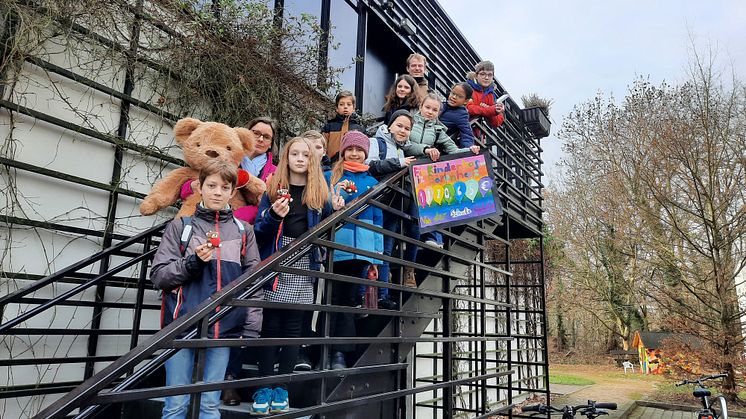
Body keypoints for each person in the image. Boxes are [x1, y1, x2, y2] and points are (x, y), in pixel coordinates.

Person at [150, 160, 261, 419]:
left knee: (210, 406)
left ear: (232, 192)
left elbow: (253, 281)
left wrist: (252, 326)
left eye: (224, 187)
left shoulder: (245, 232)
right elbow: (159, 276)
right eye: (211, 185)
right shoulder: (180, 227)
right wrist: (193, 262)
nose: (217, 192)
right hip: (182, 325)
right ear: (199, 187)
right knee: (175, 405)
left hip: (224, 327)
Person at [250, 137, 344, 415]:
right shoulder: (272, 188)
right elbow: (258, 229)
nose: (300, 158)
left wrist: (337, 208)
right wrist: (274, 216)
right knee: (270, 328)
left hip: (304, 261)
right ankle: (264, 386)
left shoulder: (319, 191)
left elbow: (327, 224)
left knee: (293, 328)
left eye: (306, 154)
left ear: (312, 160)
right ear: (286, 157)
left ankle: (282, 388)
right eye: (295, 153)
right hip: (277, 258)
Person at [325, 131, 384, 369]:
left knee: (349, 299)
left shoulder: (372, 182)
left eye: (360, 150)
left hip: (362, 248)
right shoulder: (331, 175)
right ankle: (325, 349)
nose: (355, 154)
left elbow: (378, 217)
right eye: (350, 149)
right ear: (343, 151)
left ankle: (339, 353)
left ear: (366, 154)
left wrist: (376, 256)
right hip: (338, 243)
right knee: (332, 297)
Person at [404, 93, 481, 272]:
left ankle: (432, 239)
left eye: (435, 110)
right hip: (405, 170)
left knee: (424, 206)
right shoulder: (409, 121)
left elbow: (453, 150)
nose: (430, 112)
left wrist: (469, 150)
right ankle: (428, 241)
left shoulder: (438, 130)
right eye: (427, 108)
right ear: (421, 106)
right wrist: (425, 149)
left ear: (439, 112)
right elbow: (404, 143)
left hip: (422, 175)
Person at [180, 117, 278, 225]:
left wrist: (236, 216)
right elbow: (184, 190)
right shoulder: (227, 156)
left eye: (267, 137)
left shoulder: (275, 172)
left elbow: (270, 203)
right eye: (256, 133)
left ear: (270, 144)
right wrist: (191, 186)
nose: (260, 139)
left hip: (247, 228)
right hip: (205, 218)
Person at [365, 110, 416, 299]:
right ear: (390, 125)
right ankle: (366, 295)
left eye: (407, 128)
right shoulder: (375, 143)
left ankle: (383, 296)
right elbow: (370, 166)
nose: (403, 130)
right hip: (376, 203)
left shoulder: (404, 149)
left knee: (385, 251)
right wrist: (398, 163)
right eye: (399, 126)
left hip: (394, 206)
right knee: (370, 249)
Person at [320, 90, 365, 161]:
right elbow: (322, 147)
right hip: (332, 166)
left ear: (353, 108)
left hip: (353, 166)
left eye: (349, 104)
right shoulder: (328, 127)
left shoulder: (360, 129)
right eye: (341, 104)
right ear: (337, 108)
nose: (345, 107)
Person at [466, 60, 505, 130]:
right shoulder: (467, 88)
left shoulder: (491, 95)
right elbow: (468, 108)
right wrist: (489, 110)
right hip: (460, 130)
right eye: (482, 74)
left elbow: (497, 122)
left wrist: (493, 111)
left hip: (478, 136)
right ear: (476, 76)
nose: (486, 78)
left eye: (489, 75)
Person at [439, 82, 476, 148]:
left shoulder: (461, 114)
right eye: (453, 93)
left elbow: (466, 134)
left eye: (459, 96)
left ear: (465, 101)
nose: (454, 97)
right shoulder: (441, 105)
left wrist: (469, 148)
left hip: (436, 143)